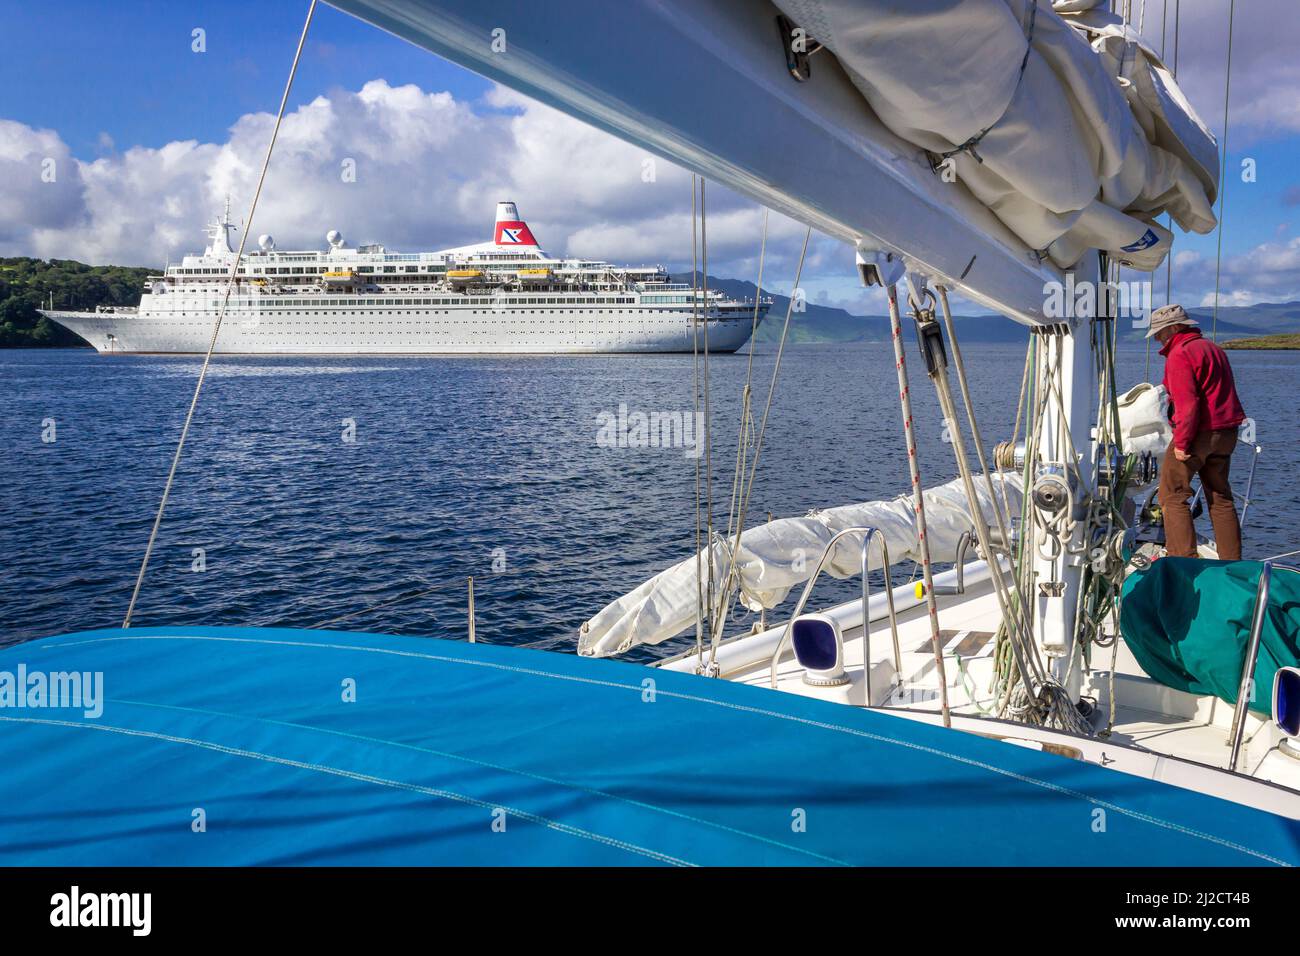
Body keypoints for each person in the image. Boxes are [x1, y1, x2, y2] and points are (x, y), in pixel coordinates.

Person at [1149, 303, 1247, 559]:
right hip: (1227, 433)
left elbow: (1187, 404)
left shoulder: (1180, 354)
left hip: (1198, 435)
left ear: (1174, 328)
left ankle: (1183, 561)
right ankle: (1231, 563)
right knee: (1220, 497)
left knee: (1172, 495)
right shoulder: (1213, 349)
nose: (1158, 338)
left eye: (1159, 332)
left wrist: (1182, 443)